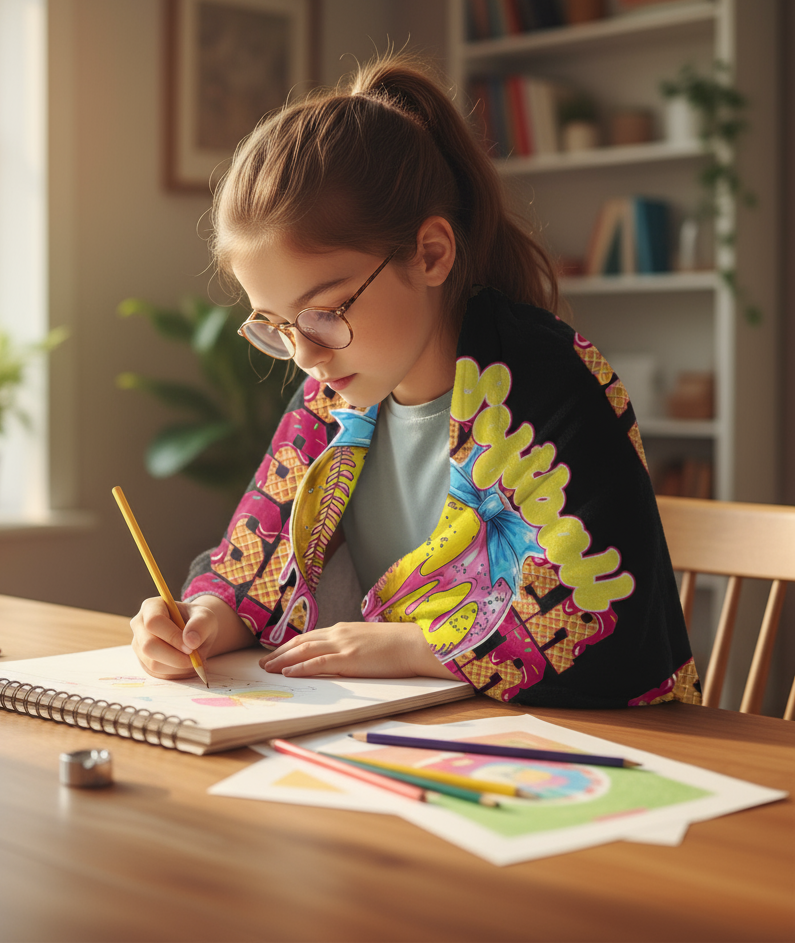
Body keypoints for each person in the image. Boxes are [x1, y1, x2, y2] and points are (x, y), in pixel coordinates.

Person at [130, 54, 699, 708]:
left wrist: (412, 646)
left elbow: (601, 625)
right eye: (278, 325)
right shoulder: (329, 402)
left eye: (326, 312)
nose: (307, 356)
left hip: (597, 752)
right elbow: (251, 572)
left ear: (431, 253)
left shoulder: (554, 380)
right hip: (413, 740)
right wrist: (200, 621)